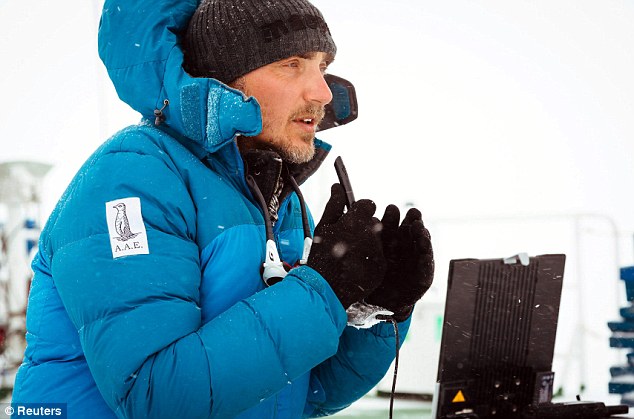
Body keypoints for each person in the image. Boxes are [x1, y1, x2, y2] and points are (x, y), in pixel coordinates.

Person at [12, 0, 434, 417]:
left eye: (322, 66)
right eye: (292, 63)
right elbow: (156, 396)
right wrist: (324, 287)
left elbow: (300, 390)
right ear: (227, 80)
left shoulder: (276, 198)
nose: (322, 92)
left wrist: (377, 308)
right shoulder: (132, 179)